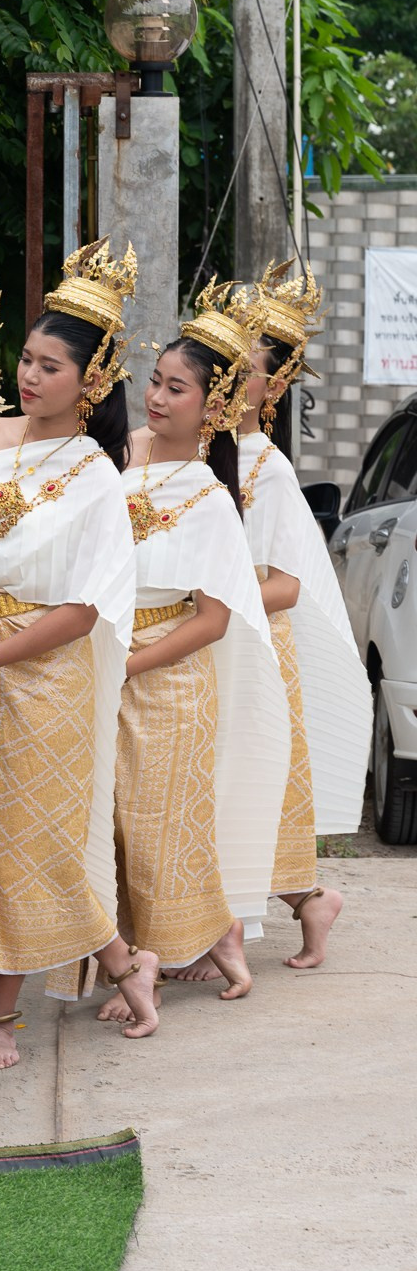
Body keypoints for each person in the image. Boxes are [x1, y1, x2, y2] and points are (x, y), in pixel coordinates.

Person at [0, 240, 158, 1059]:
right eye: (26, 359)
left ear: (91, 382)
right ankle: (124, 964)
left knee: (27, 836)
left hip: (42, 672)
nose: (30, 376)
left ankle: (4, 1011)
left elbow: (84, 609)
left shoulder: (95, 476)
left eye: (50, 367)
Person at [98, 280, 290, 1024]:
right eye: (155, 380)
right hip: (107, 663)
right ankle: (210, 936)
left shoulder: (210, 496)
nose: (155, 397)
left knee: (156, 827)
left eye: (176, 388)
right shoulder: (121, 461)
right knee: (116, 824)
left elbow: (212, 620)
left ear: (211, 406)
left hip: (170, 679)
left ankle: (155, 960)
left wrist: (131, 663)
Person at [234, 262, 370, 966]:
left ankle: (275, 909)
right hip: (207, 638)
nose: (228, 379)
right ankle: (308, 899)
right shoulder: (192, 454)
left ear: (275, 386)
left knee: (244, 792)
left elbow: (284, 587)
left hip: (251, 641)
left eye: (245, 370)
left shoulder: (271, 470)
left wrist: (204, 607)